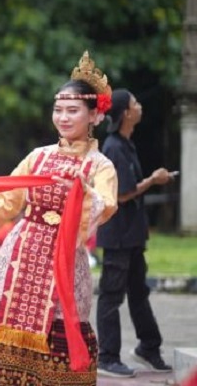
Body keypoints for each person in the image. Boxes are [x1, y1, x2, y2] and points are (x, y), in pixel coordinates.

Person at [0, 51, 118, 386]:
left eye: (72, 110)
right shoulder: (38, 157)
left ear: (95, 116)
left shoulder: (101, 167)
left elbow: (103, 209)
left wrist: (82, 191)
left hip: (62, 262)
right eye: (58, 110)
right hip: (21, 254)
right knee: (1, 325)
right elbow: (6, 204)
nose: (63, 117)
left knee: (58, 333)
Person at [95, 89, 175, 378]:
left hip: (132, 234)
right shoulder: (114, 147)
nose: (140, 106)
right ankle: (106, 357)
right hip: (117, 235)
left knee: (138, 291)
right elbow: (123, 194)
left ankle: (148, 347)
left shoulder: (126, 144)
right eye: (136, 103)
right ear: (126, 114)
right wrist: (153, 180)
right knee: (111, 295)